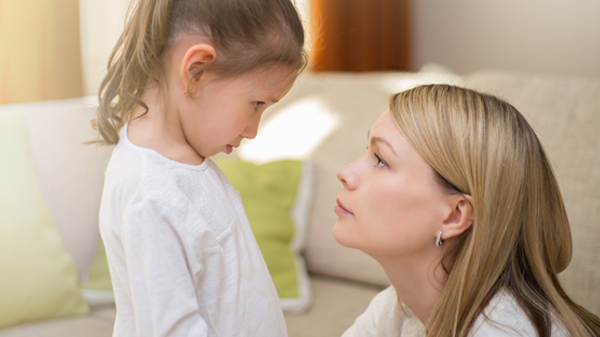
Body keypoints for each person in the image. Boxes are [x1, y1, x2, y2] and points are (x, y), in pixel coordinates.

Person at [93, 0, 306, 335]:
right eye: (257, 104)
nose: (253, 130)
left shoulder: (182, 162)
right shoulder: (152, 196)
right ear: (196, 71)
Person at [334, 84, 600, 336]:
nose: (345, 173)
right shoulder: (396, 310)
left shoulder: (503, 330)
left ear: (454, 216)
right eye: (367, 152)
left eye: (380, 160)